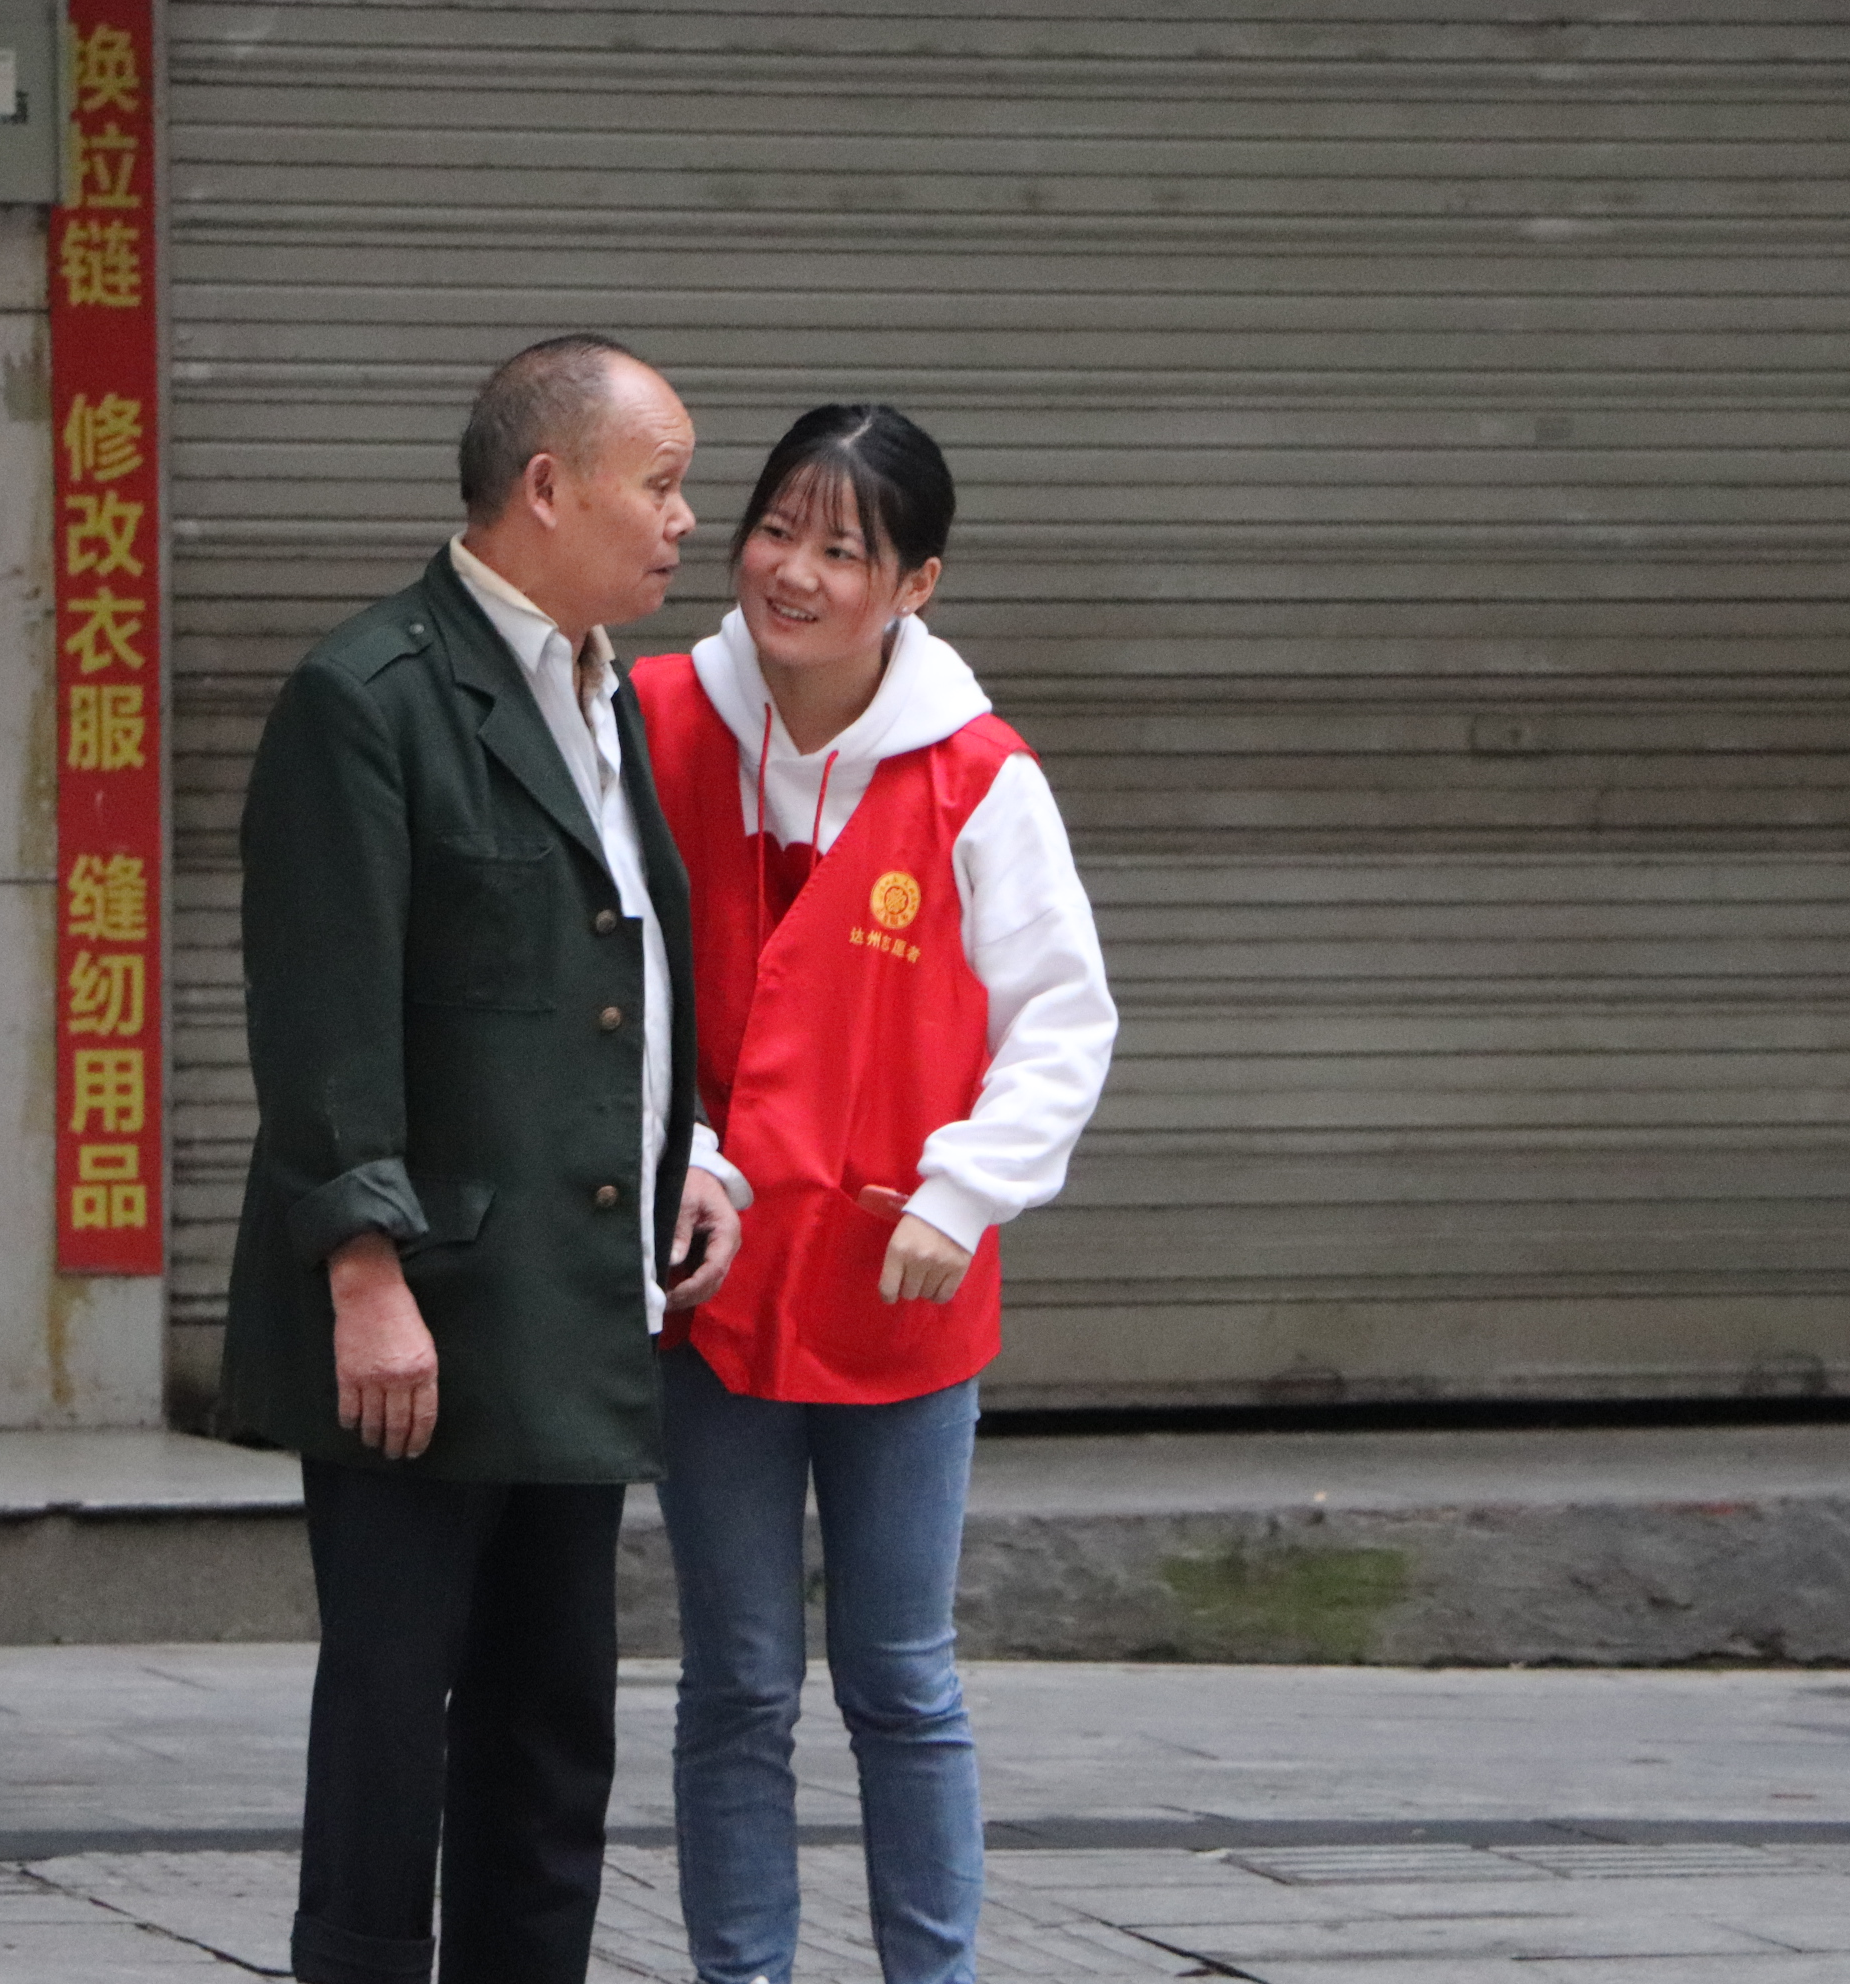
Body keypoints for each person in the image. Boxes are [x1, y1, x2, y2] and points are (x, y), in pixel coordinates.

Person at [218, 333, 748, 1984]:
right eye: (661, 485)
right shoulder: (370, 696)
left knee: (551, 1719)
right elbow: (324, 1014)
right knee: (394, 1710)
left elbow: (615, 972)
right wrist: (362, 1268)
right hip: (426, 1309)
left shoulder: (606, 693)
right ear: (547, 487)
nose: (686, 523)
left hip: (570, 1301)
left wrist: (687, 1152)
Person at [633, 405, 1118, 1984]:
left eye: (844, 550)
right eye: (778, 529)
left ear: (915, 586)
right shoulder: (652, 720)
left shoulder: (978, 777)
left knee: (901, 1680)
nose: (794, 571)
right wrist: (682, 1157)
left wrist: (965, 1191)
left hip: (901, 1288)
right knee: (735, 1683)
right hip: (712, 1289)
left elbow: (1063, 1017)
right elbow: (606, 986)